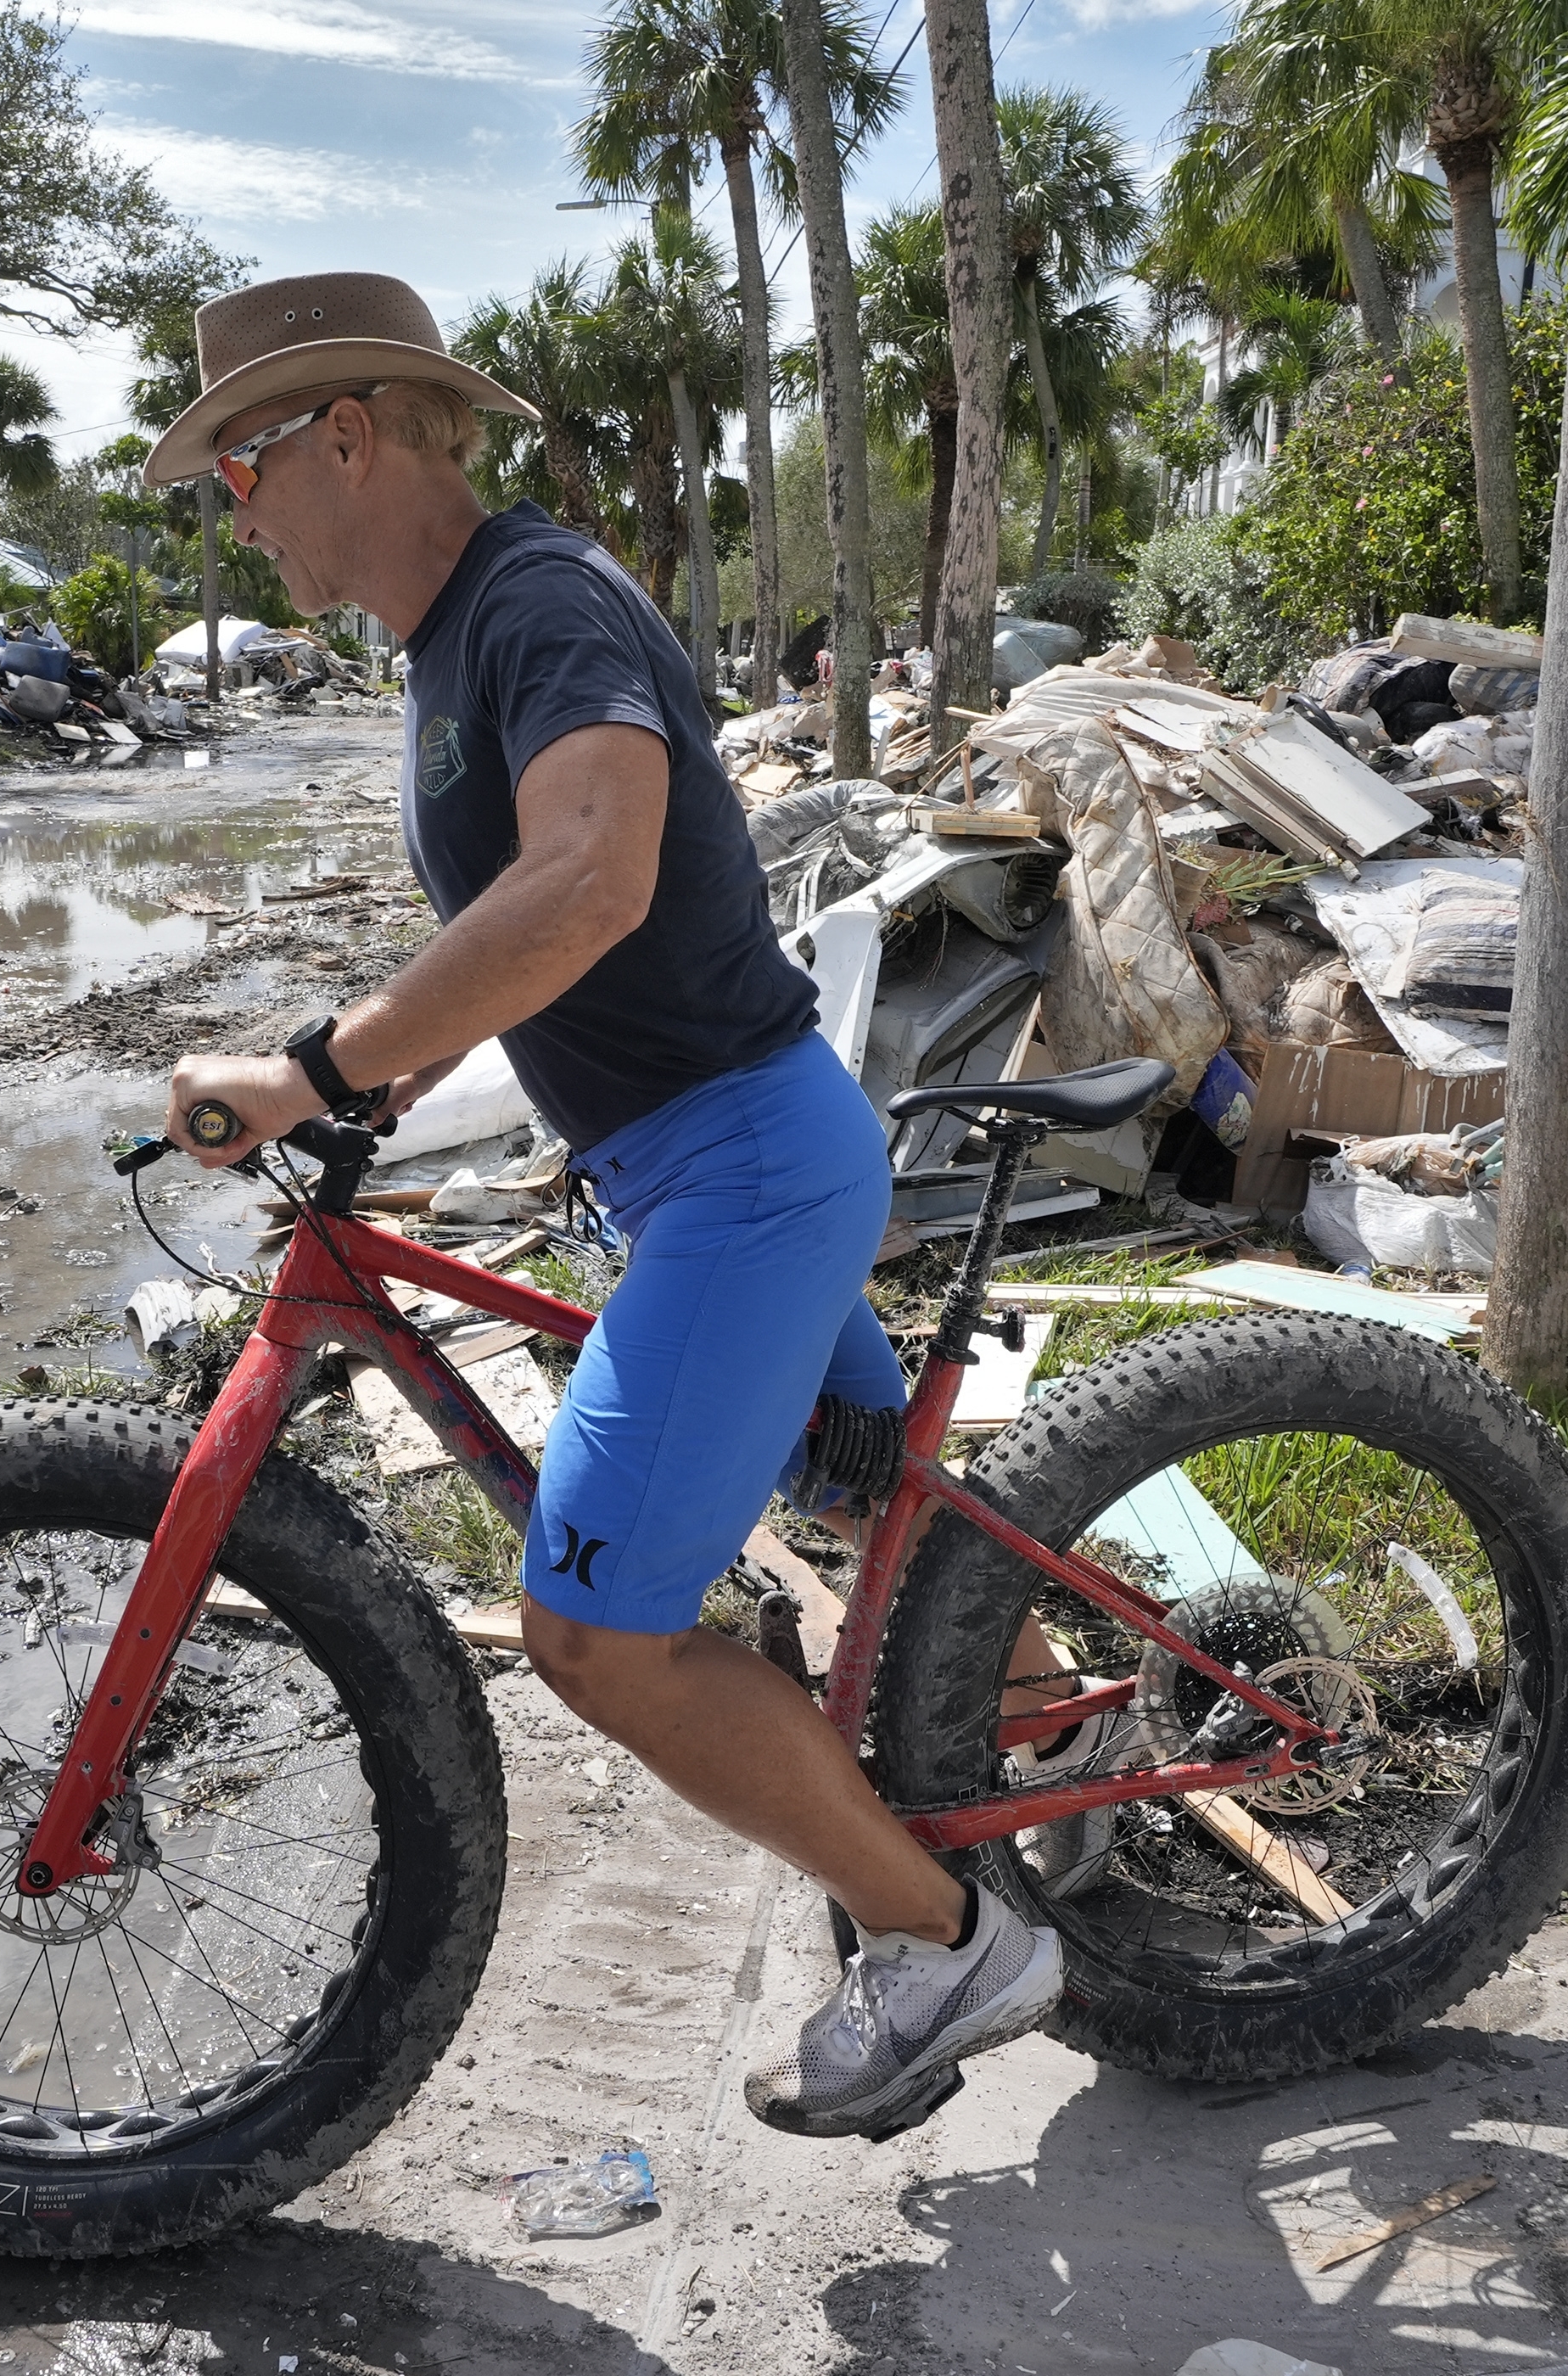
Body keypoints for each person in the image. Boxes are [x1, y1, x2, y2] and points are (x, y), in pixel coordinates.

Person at [141, 272, 1067, 2139]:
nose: (231, 510)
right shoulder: (453, 639)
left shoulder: (539, 603)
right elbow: (524, 924)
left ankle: (954, 1938)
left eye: (241, 462)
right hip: (710, 1155)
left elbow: (591, 879)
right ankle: (1054, 1747)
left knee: (594, 1630)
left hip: (742, 1167)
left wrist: (321, 1063)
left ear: (348, 432)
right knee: (884, 1506)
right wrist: (387, 1066)